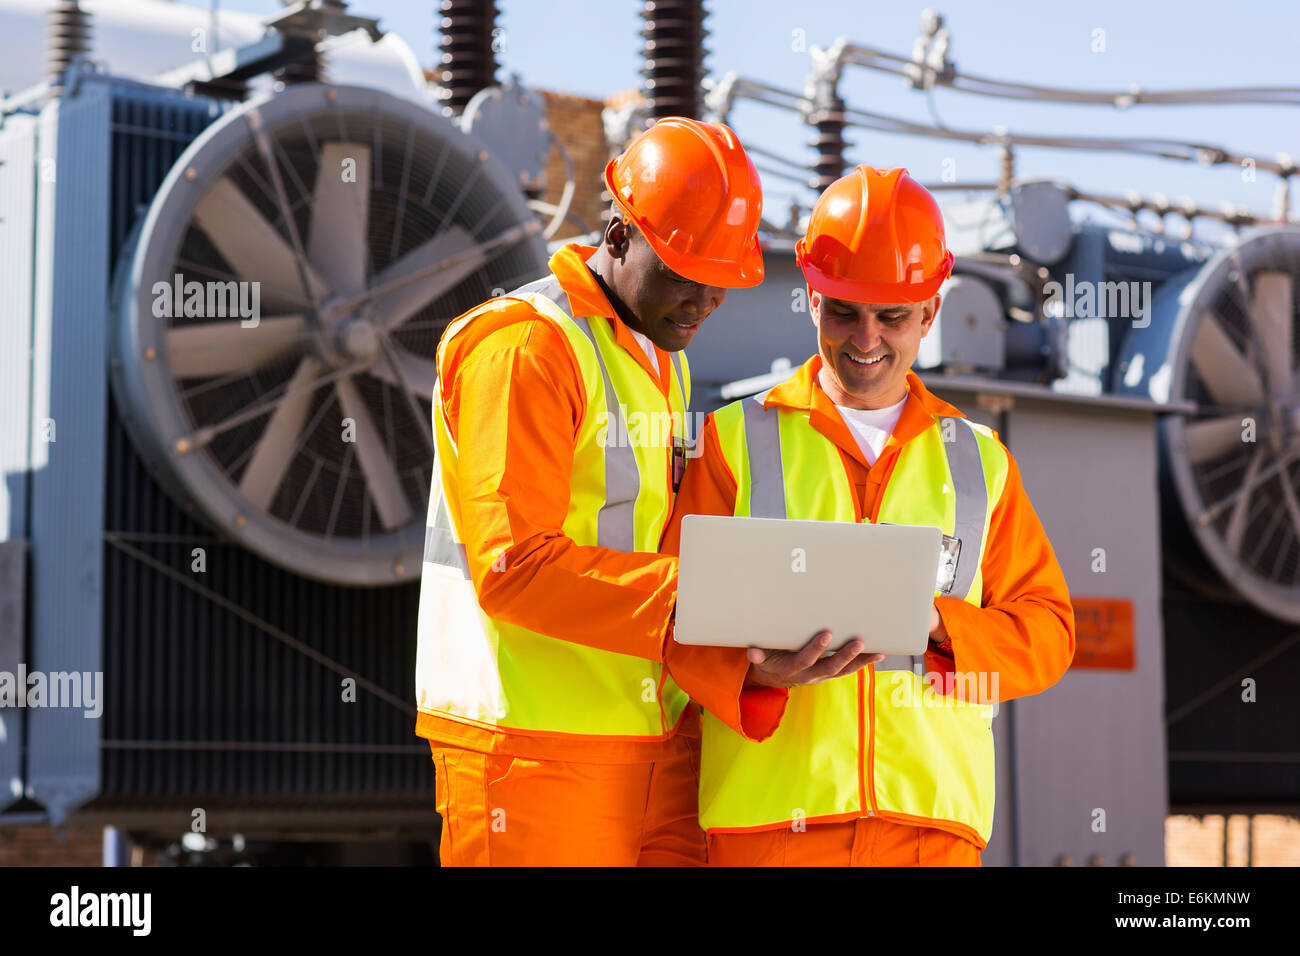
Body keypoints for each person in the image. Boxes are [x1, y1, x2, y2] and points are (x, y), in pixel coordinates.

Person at [414, 118, 875, 866]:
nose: (700, 302)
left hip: (653, 742)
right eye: (683, 273)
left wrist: (746, 648)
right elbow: (511, 567)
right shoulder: (526, 347)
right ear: (619, 234)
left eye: (721, 283)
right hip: (532, 753)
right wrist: (712, 599)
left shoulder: (658, 359)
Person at [661, 165, 1076, 866]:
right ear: (812, 301)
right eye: (844, 312)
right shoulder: (734, 442)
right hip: (772, 825)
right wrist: (759, 677)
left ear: (931, 314)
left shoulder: (980, 461)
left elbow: (1049, 634)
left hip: (929, 827)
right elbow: (673, 624)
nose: (865, 341)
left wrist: (941, 625)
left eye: (892, 317)